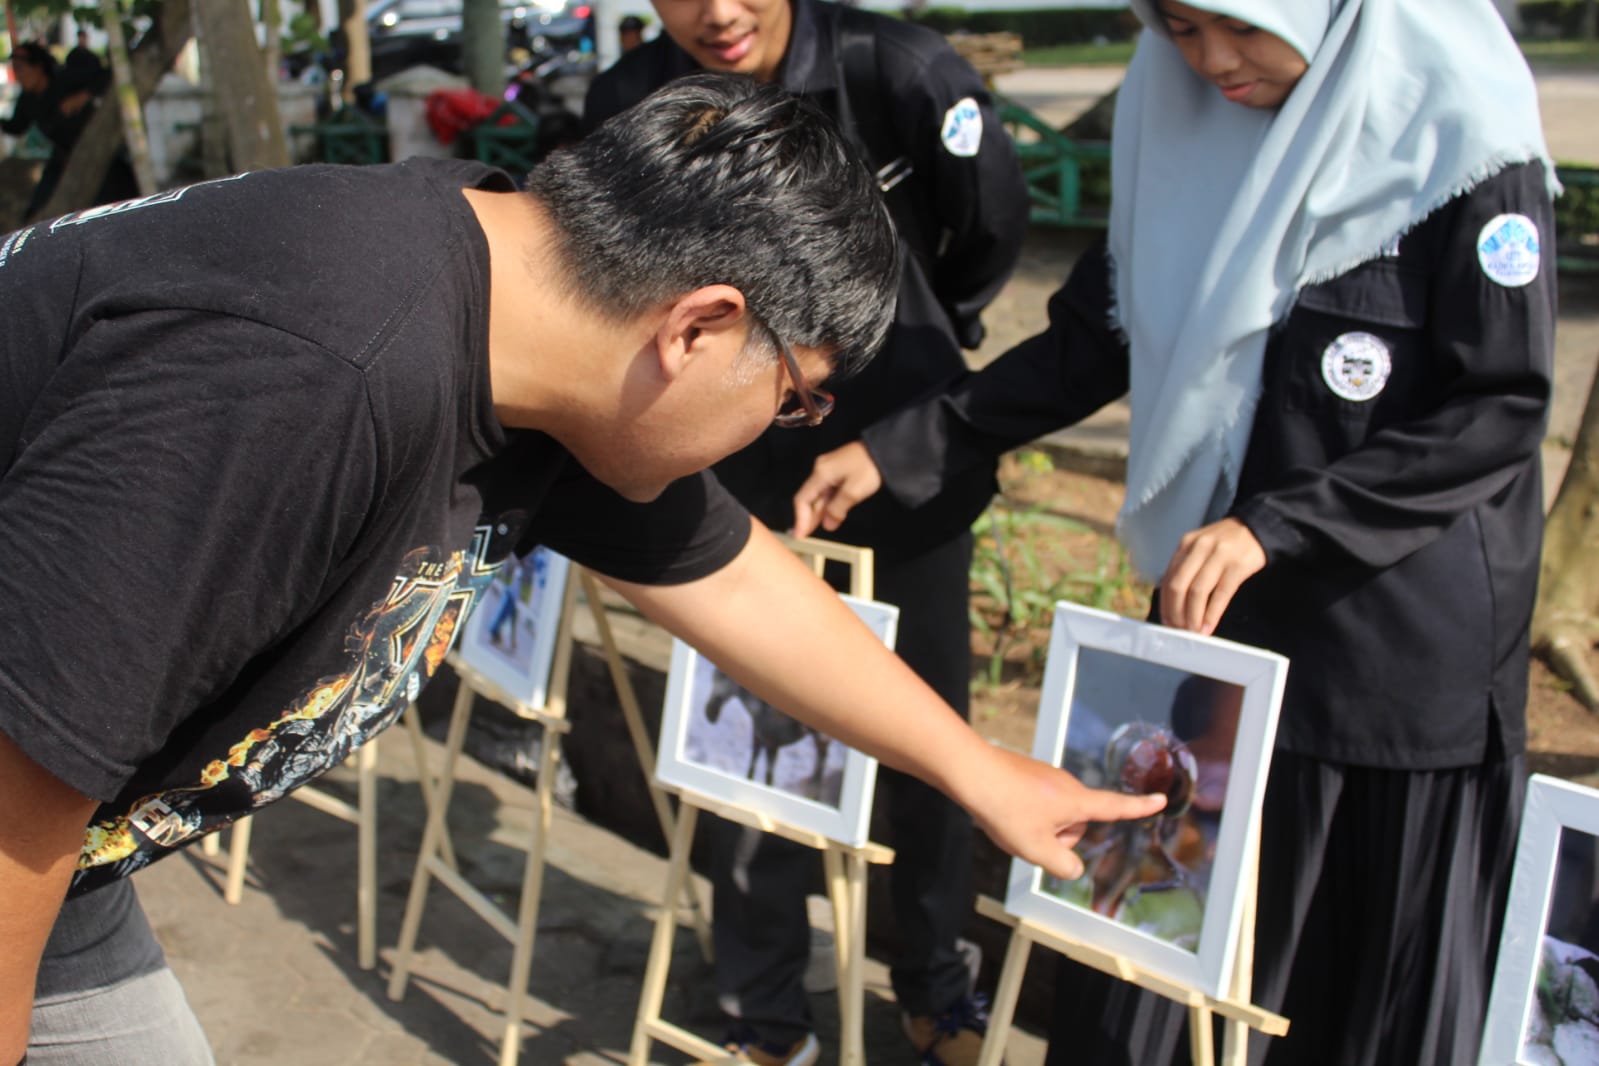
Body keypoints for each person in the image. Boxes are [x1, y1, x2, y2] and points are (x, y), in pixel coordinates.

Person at [0, 73, 1163, 1066]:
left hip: (68, 869)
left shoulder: (533, 331)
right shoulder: (316, 372)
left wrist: (977, 770)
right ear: (699, 327)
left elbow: (734, 578)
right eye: (793, 398)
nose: (783, 432)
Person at [792, 2, 1558, 1063]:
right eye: (1179, 32)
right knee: (1160, 962)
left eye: (1234, 26)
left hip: (1391, 656)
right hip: (1221, 634)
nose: (1211, 64)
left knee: (1352, 994)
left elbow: (1497, 410)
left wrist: (1278, 525)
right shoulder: (1182, 127)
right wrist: (906, 445)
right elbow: (1093, 340)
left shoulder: (1462, 144)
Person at [584, 2, 1030, 1063]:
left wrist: (910, 362)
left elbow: (986, 236)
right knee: (752, 743)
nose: (718, 13)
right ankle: (764, 1011)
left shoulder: (905, 72)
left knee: (925, 740)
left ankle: (934, 986)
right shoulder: (629, 102)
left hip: (898, 472)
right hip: (729, 486)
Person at [2, 41, 129, 224]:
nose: (18, 75)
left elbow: (107, 76)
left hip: (96, 150)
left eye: (21, 68)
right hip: (63, 156)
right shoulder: (27, 100)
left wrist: (84, 95)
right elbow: (16, 126)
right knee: (41, 203)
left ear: (38, 67)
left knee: (112, 199)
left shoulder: (65, 80)